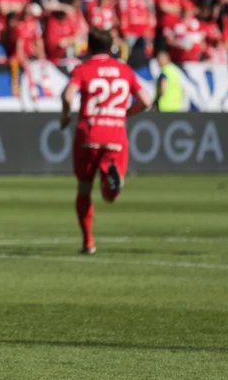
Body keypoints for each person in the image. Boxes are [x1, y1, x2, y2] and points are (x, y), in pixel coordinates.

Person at [59, 28, 151, 254]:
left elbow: (68, 95)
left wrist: (65, 116)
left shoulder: (83, 69)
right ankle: (112, 186)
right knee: (109, 197)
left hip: (89, 134)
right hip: (116, 135)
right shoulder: (124, 70)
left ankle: (88, 241)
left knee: (84, 188)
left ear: (88, 47)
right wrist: (125, 113)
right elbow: (146, 101)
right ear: (112, 47)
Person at [154, 48, 186, 112]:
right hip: (177, 106)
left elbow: (162, 90)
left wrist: (155, 101)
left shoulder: (165, 72)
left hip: (164, 107)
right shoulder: (176, 70)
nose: (158, 61)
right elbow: (183, 89)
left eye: (160, 59)